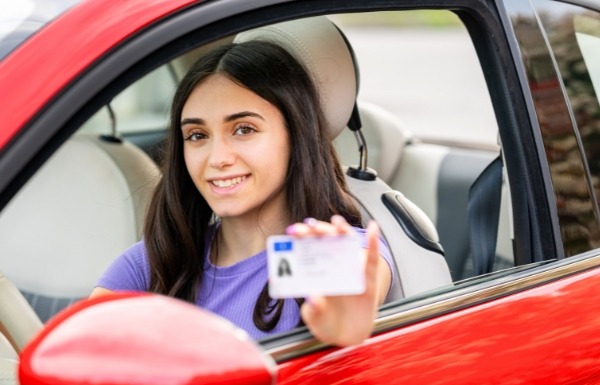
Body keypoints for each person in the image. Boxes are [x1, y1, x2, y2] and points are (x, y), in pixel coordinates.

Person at [91, 40, 393, 347]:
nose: (217, 158)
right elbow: (79, 357)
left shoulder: (327, 250)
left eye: (244, 129)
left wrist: (345, 316)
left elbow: (355, 284)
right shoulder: (155, 261)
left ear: (296, 136)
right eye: (197, 135)